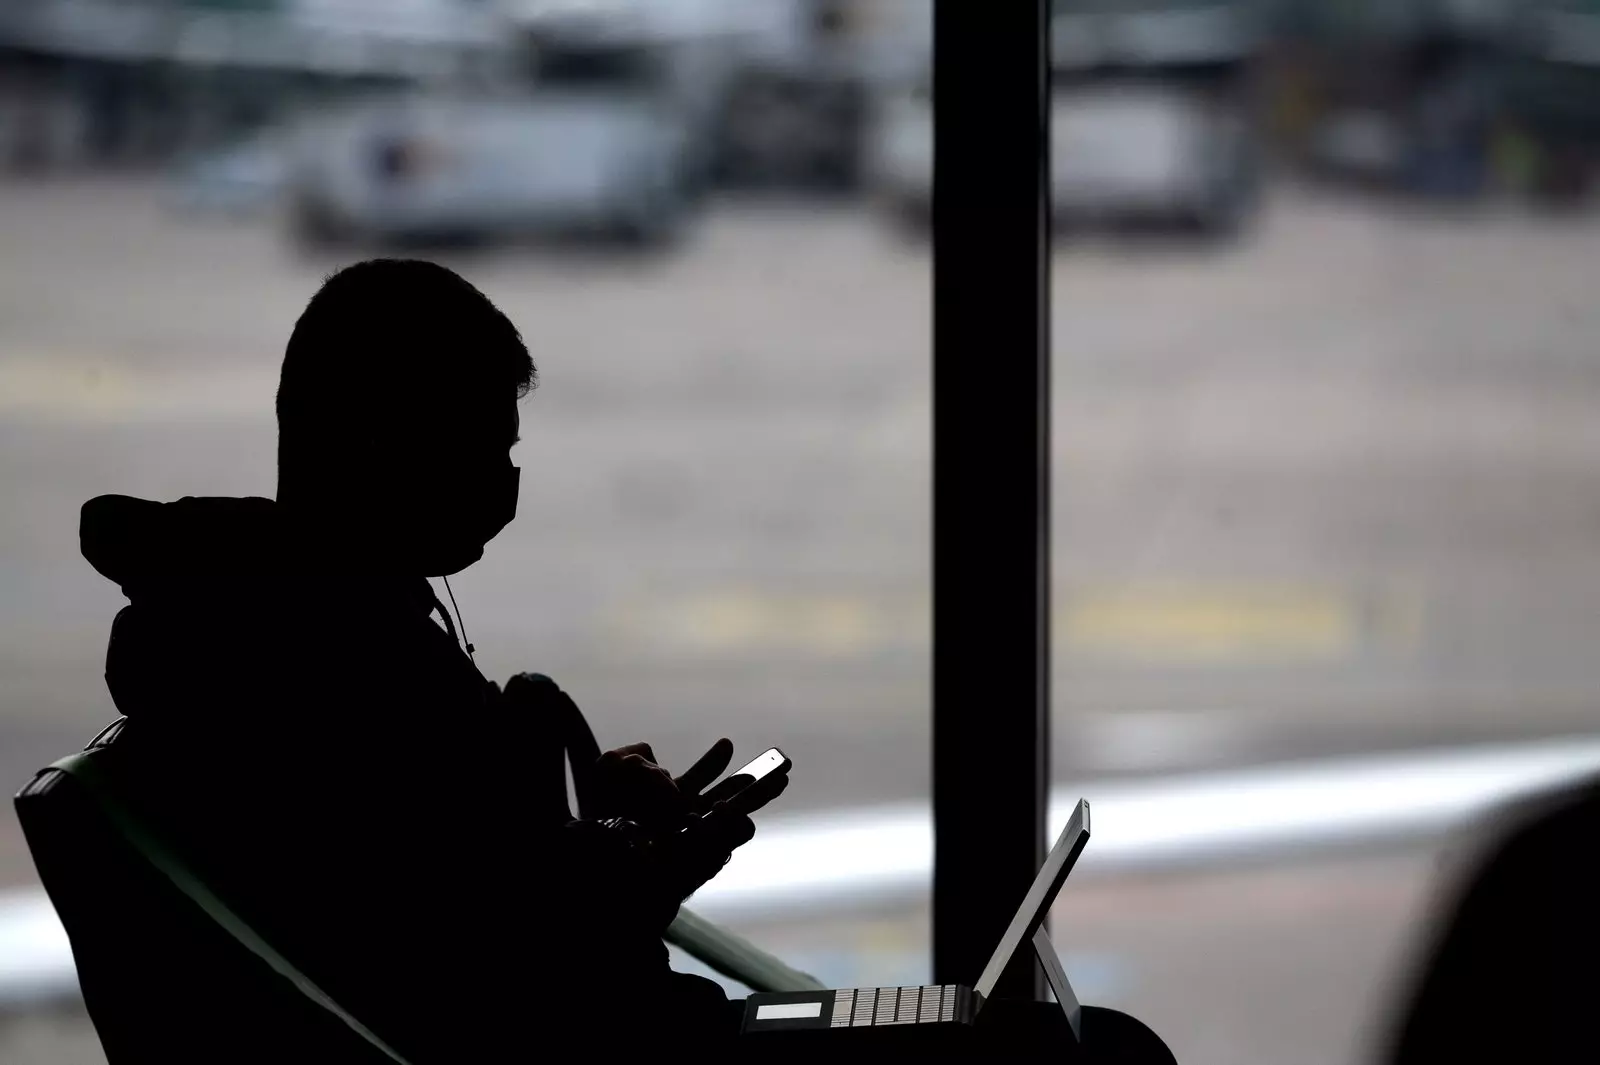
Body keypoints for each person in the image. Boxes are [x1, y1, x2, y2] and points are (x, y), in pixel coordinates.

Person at [79, 259, 782, 1060]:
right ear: (384, 446)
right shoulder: (348, 668)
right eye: (484, 446)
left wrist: (605, 823)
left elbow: (463, 878)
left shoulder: (258, 629)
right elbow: (503, 976)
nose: (506, 480)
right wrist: (647, 868)